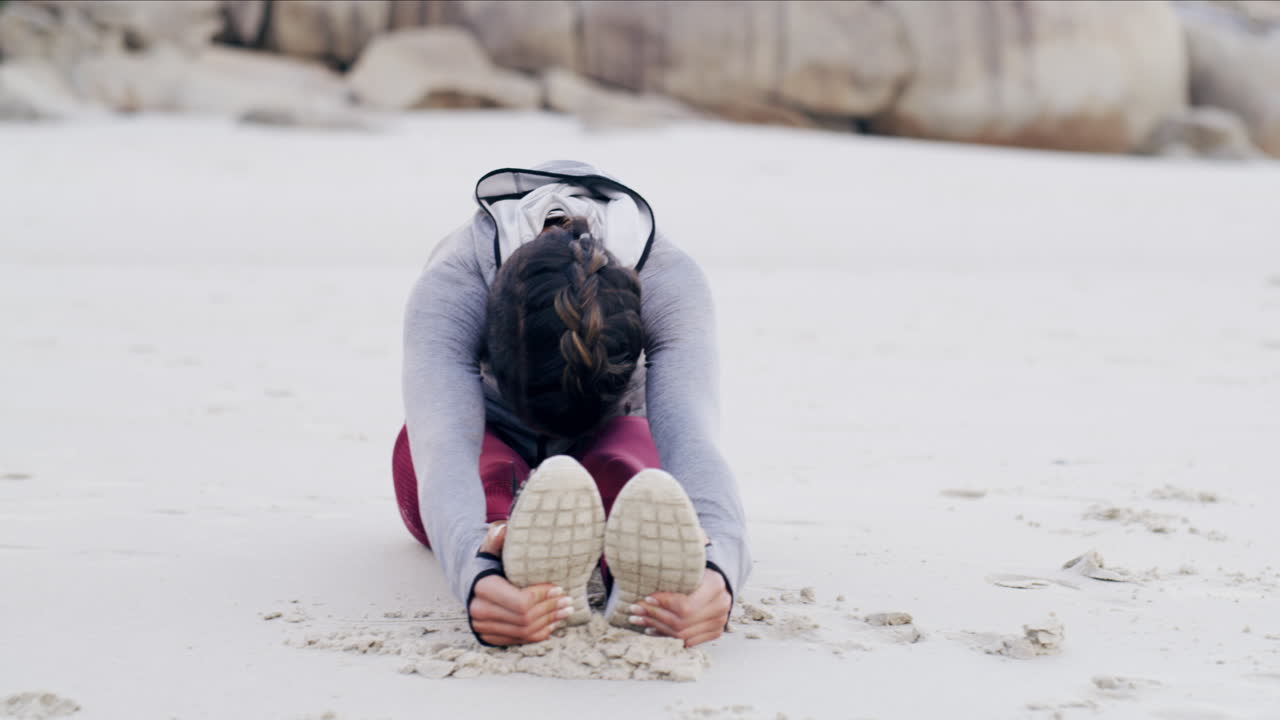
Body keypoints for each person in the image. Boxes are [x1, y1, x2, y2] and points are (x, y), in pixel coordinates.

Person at [392, 160, 749, 648]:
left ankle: (635, 553)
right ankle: (498, 537)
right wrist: (475, 577)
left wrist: (718, 572)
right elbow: (444, 448)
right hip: (494, 438)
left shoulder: (669, 280)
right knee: (428, 450)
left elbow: (693, 439)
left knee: (638, 461)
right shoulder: (455, 282)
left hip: (613, 434)